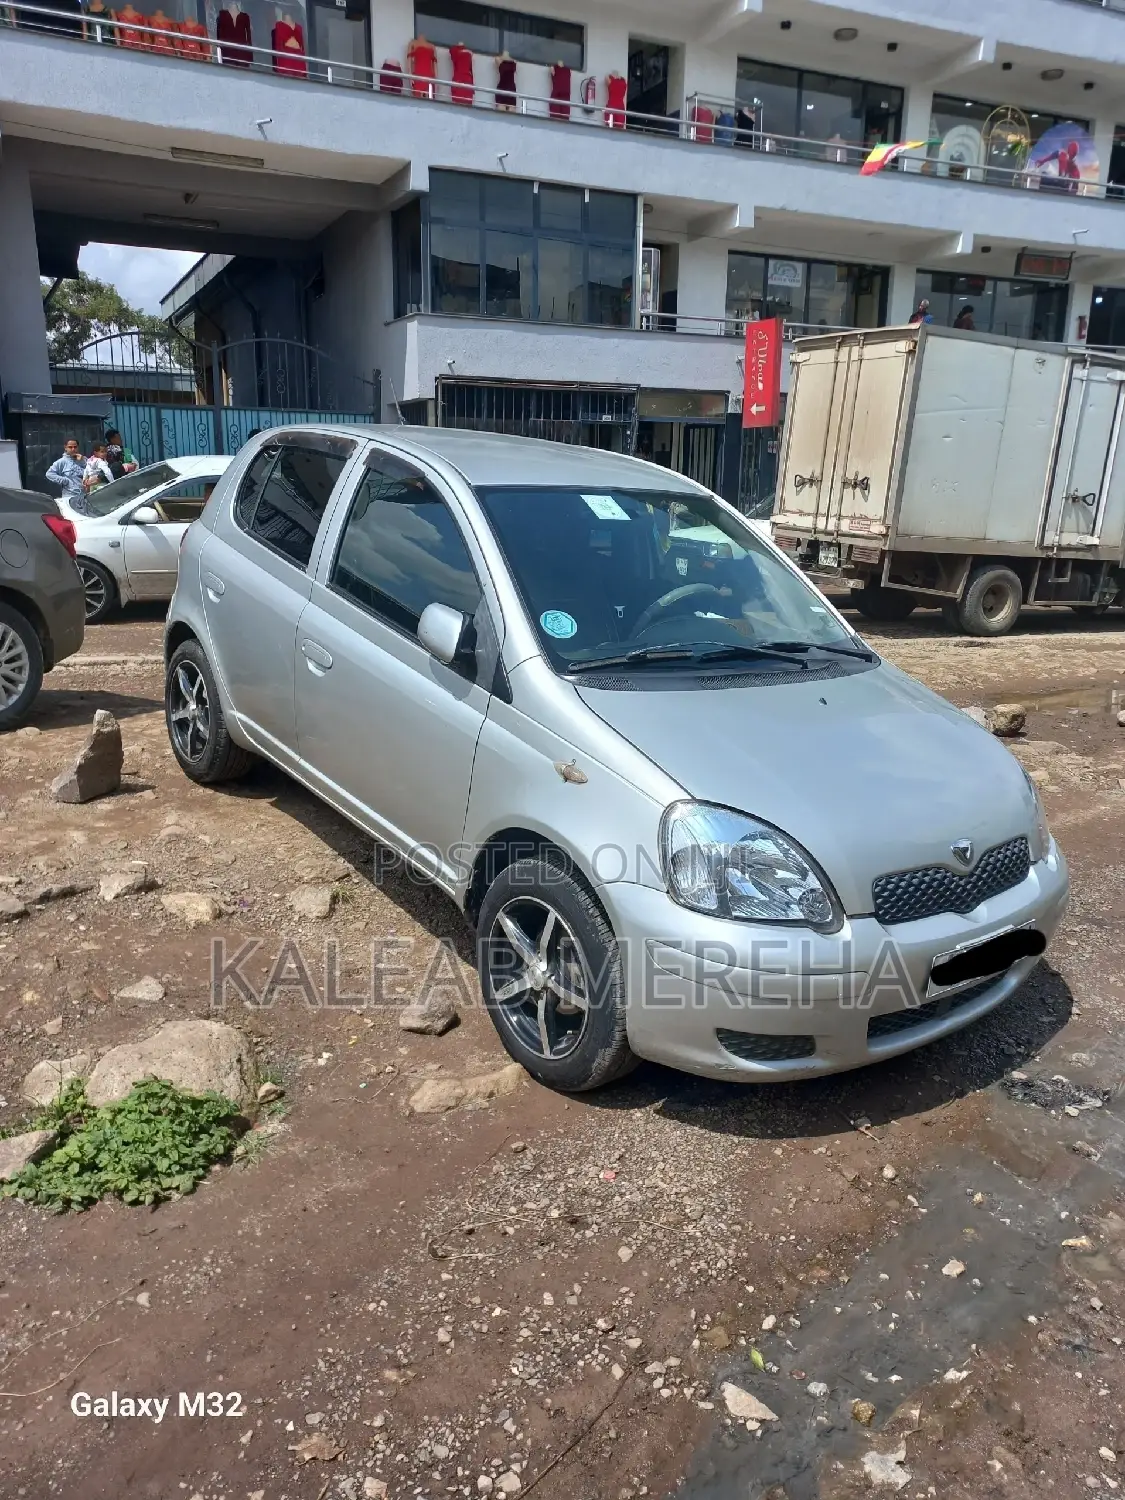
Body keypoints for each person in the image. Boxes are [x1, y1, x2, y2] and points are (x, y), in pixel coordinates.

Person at [45, 438, 88, 510]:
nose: (73, 449)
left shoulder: (83, 459)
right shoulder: (62, 462)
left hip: (84, 496)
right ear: (65, 448)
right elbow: (49, 474)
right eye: (70, 447)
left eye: (75, 447)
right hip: (69, 496)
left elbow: (92, 471)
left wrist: (82, 461)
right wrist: (65, 481)